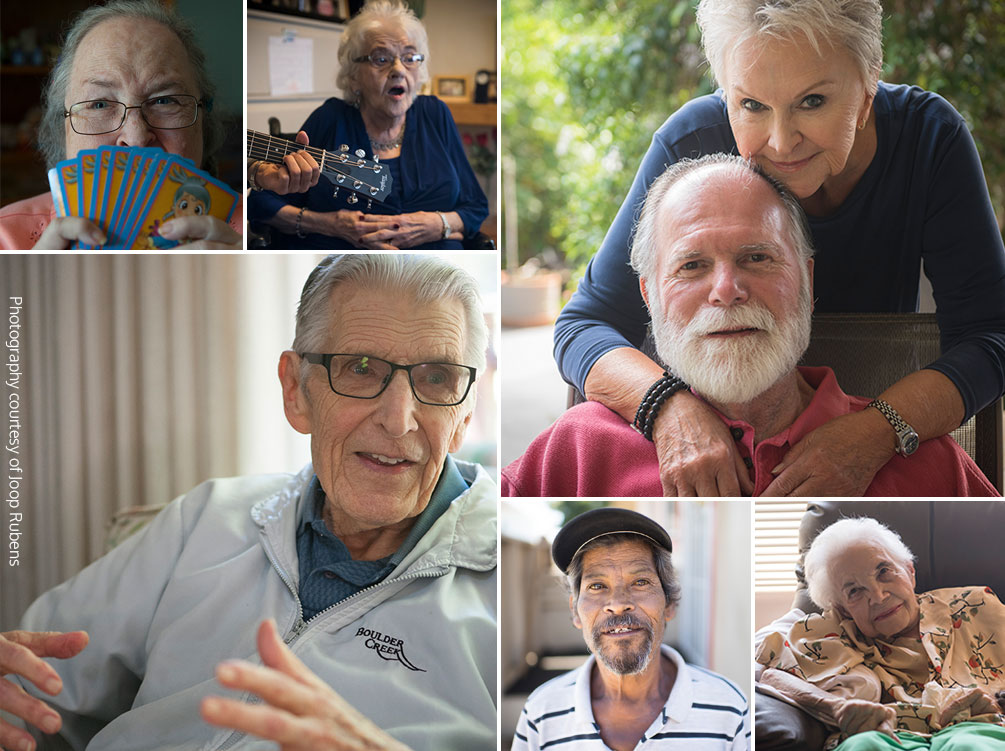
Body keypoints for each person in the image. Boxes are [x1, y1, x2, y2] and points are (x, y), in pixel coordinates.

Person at [0, 255, 496, 751]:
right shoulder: (205, 518)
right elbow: (31, 689)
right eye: (361, 369)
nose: (399, 419)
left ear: (465, 413)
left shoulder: (503, 585)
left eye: (437, 378)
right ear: (295, 390)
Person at [553, 0, 1005, 497]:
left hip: (874, 420)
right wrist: (668, 406)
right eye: (751, 105)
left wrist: (876, 431)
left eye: (812, 101)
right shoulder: (690, 143)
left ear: (867, 88)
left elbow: (992, 335)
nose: (782, 142)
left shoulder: (930, 140)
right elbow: (583, 325)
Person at [502, 155, 998, 497]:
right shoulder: (576, 448)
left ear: (806, 281)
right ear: (649, 297)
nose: (726, 289)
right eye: (691, 265)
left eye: (757, 257)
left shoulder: (928, 462)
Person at [0, 0, 242, 250]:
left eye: (164, 100)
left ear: (203, 119)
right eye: (99, 104)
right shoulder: (5, 238)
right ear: (62, 125)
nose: (136, 138)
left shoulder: (256, 230)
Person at [247, 0, 488, 249]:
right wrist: (329, 224)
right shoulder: (330, 118)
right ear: (354, 77)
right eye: (381, 59)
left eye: (409, 58)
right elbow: (262, 204)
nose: (398, 70)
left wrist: (440, 224)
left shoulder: (435, 114)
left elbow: (475, 207)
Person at [755, 517, 1005, 750]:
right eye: (854, 591)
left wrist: (997, 704)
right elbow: (770, 675)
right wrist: (835, 707)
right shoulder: (830, 634)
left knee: (970, 744)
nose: (878, 596)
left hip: (981, 726)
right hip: (885, 733)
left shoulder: (975, 604)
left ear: (910, 571)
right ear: (842, 609)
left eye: (884, 571)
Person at [512, 507, 750, 751]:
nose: (618, 604)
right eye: (597, 586)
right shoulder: (540, 714)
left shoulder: (729, 709)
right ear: (575, 610)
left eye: (640, 582)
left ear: (669, 603)